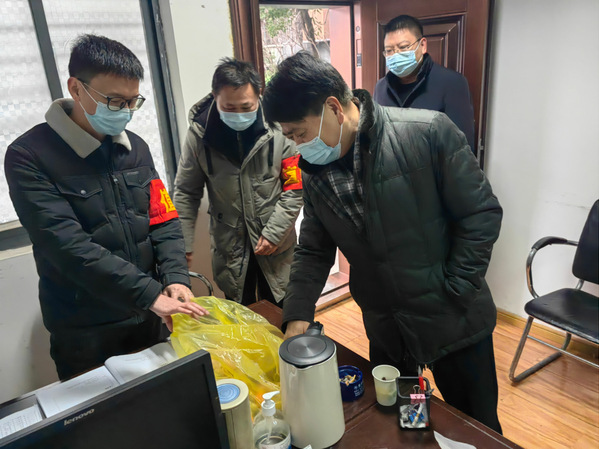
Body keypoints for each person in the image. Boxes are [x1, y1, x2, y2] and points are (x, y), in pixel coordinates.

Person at [263, 51, 503, 434]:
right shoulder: (315, 173)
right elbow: (313, 249)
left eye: (300, 134)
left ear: (333, 108)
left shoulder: (427, 133)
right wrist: (297, 314)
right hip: (388, 329)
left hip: (454, 322)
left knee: (476, 429)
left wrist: (456, 288)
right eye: (289, 137)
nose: (297, 146)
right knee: (407, 422)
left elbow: (481, 214)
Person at [4, 34, 207, 380]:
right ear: (76, 88)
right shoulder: (30, 156)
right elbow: (67, 246)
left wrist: (175, 279)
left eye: (132, 101)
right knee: (104, 413)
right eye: (114, 101)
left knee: (165, 399)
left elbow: (163, 220)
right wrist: (149, 294)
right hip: (87, 331)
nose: (125, 112)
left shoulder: (135, 149)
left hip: (149, 317)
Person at [173, 58, 302, 306]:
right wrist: (183, 244)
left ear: (259, 95)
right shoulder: (200, 134)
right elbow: (186, 192)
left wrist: (275, 232)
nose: (239, 115)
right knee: (242, 313)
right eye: (230, 108)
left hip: (276, 242)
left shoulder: (278, 128)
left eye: (246, 107)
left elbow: (294, 189)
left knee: (283, 309)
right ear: (215, 97)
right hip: (230, 247)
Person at [374, 14, 476, 151]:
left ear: (422, 45)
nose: (396, 55)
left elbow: (462, 148)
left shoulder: (452, 83)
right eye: (389, 50)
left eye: (403, 47)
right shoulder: (381, 88)